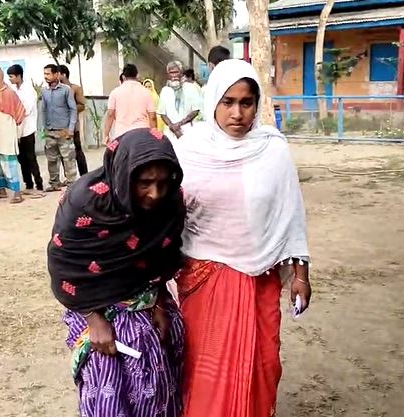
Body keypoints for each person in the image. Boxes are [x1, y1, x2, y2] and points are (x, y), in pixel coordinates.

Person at [173, 59, 312, 417]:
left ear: (256, 104)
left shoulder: (273, 149)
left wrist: (300, 275)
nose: (237, 113)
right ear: (213, 102)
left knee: (262, 363)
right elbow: (168, 214)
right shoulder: (189, 150)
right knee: (206, 369)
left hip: (260, 278)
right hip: (204, 279)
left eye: (246, 103)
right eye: (228, 102)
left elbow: (290, 212)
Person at [48, 127, 185, 417]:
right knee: (107, 394)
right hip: (96, 310)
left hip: (148, 304)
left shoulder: (171, 201)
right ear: (123, 174)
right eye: (144, 182)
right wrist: (94, 320)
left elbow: (165, 254)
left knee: (157, 387)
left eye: (163, 182)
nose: (155, 193)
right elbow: (63, 265)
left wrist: (159, 301)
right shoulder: (84, 204)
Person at [0, 67, 25, 204]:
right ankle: (1, 189)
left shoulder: (9, 92)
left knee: (9, 162)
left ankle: (17, 192)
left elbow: (20, 113)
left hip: (7, 132)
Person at [7, 64, 44, 196]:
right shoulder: (12, 90)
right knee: (21, 158)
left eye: (11, 77)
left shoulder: (29, 90)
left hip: (27, 128)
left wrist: (15, 113)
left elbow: (25, 109)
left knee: (30, 157)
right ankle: (28, 184)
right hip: (17, 129)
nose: (10, 79)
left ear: (18, 76)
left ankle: (39, 184)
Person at [41, 64, 78, 192]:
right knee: (51, 159)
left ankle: (72, 184)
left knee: (68, 159)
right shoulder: (44, 91)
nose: (46, 76)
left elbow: (73, 109)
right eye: (44, 74)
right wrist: (44, 128)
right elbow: (44, 110)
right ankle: (54, 183)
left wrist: (71, 129)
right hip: (50, 131)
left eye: (48, 74)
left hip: (64, 131)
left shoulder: (66, 90)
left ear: (56, 74)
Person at [103, 64, 156, 144]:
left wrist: (106, 135)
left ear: (123, 77)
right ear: (137, 75)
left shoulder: (115, 92)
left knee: (110, 154)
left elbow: (110, 114)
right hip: (142, 134)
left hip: (121, 135)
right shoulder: (146, 92)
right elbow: (152, 117)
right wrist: (155, 135)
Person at [157, 61, 201, 141]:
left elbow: (196, 110)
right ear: (168, 75)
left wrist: (180, 124)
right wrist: (172, 126)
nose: (174, 76)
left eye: (176, 72)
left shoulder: (191, 88)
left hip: (187, 130)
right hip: (170, 132)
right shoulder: (165, 90)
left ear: (181, 73)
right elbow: (162, 113)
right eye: (171, 73)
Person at [58, 65, 88, 175]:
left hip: (73, 126)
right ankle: (69, 176)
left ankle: (84, 175)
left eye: (58, 74)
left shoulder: (75, 88)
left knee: (78, 151)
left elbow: (82, 105)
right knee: (63, 153)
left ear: (63, 74)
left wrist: (69, 109)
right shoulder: (56, 90)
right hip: (60, 127)